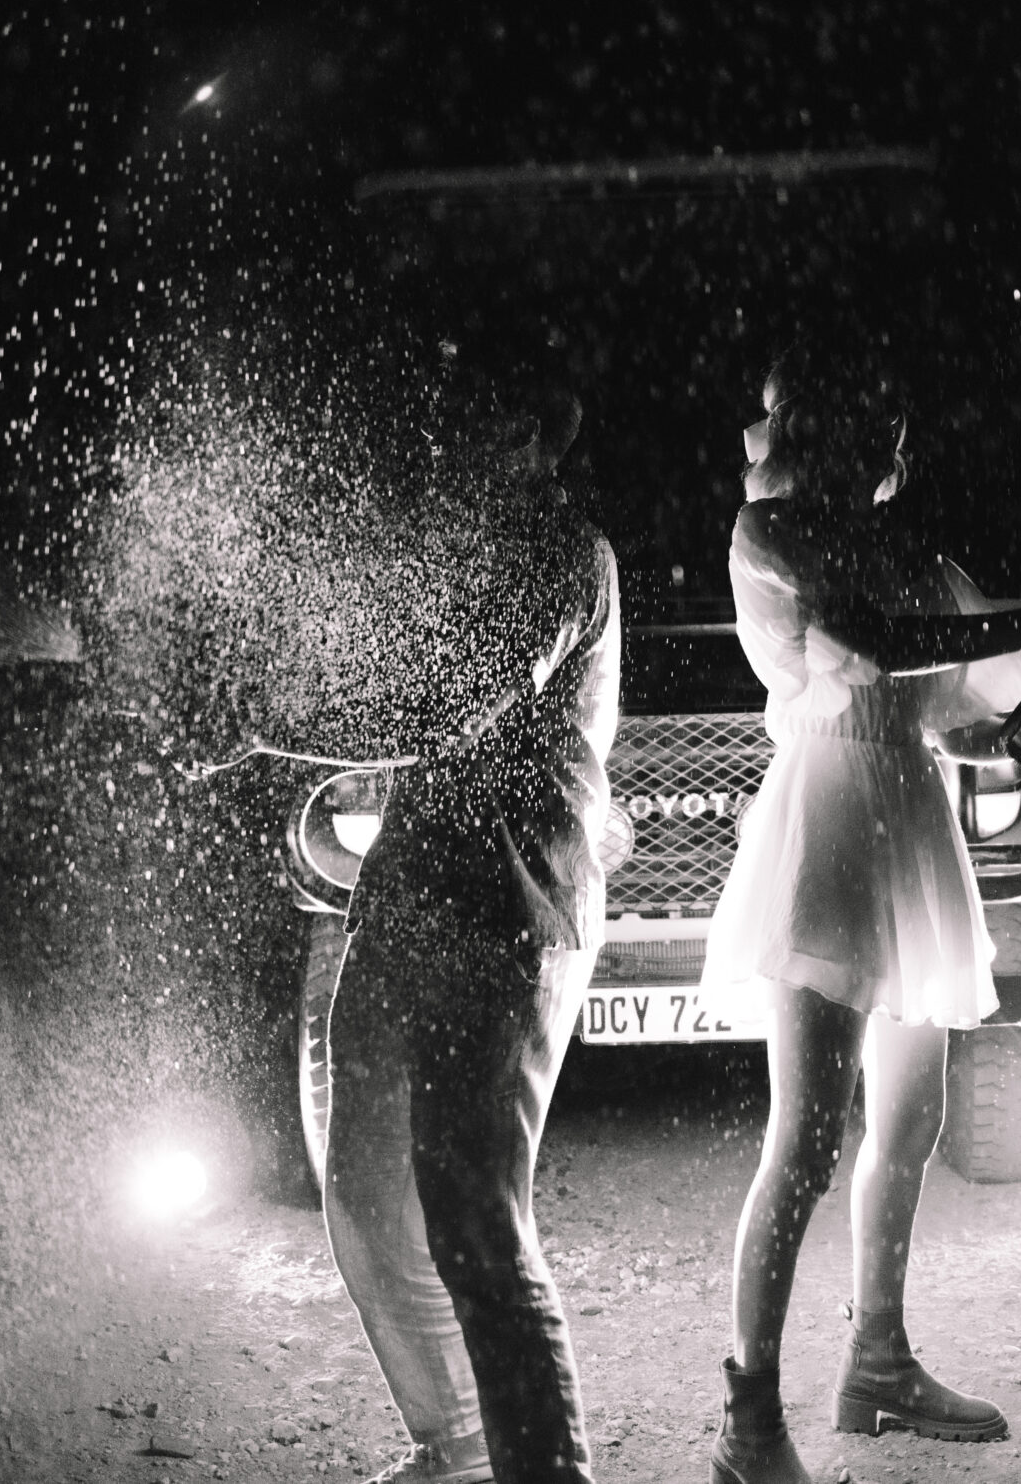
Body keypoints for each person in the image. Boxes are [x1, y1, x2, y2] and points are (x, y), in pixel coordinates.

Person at [700, 357, 1021, 1484]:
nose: (903, 452)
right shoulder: (770, 539)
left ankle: (877, 1365)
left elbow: (954, 715)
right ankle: (748, 1425)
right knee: (806, 1141)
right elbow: (870, 647)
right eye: (887, 427)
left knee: (912, 1116)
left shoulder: (919, 560)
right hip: (829, 827)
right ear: (839, 436)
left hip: (906, 824)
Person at [303, 367, 620, 1484]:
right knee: (367, 1187)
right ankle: (458, 1440)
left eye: (461, 413)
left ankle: (548, 1470)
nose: (432, 434)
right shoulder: (454, 547)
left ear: (530, 430)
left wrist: (258, 722)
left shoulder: (555, 552)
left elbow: (448, 705)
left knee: (475, 1218)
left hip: (509, 900)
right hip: (417, 891)